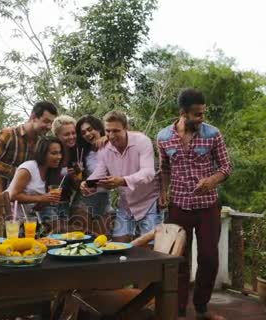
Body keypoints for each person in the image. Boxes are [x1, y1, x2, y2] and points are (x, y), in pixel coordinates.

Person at [156, 88, 231, 320]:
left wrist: (211, 181)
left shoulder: (213, 134)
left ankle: (201, 308)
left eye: (202, 114)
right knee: (178, 261)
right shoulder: (163, 137)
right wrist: (163, 192)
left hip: (208, 205)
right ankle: (177, 310)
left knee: (208, 258)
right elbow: (164, 169)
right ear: (183, 113)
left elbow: (226, 167)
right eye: (197, 114)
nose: (201, 119)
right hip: (178, 206)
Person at [80, 111, 161, 243]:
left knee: (150, 247)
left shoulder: (142, 141)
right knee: (118, 244)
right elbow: (100, 172)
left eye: (116, 131)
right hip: (126, 203)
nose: (111, 135)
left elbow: (148, 173)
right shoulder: (104, 148)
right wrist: (88, 183)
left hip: (148, 202)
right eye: (108, 131)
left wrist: (122, 180)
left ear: (126, 128)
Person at [0, 101, 58, 193]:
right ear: (33, 117)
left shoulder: (40, 143)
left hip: (23, 201)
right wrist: (20, 174)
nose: (49, 126)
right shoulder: (8, 134)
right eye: (46, 121)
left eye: (51, 123)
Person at [6, 136, 64, 224]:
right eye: (54, 153)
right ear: (43, 154)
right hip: (7, 217)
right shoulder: (28, 168)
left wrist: (47, 200)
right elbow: (12, 196)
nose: (59, 156)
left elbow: (36, 207)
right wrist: (42, 198)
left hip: (26, 219)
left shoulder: (51, 173)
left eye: (60, 153)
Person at [75, 115, 111, 236]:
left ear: (99, 129)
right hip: (85, 199)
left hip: (104, 197)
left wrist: (109, 137)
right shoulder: (84, 153)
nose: (87, 134)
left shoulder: (112, 145)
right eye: (83, 132)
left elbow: (132, 136)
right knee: (83, 236)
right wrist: (81, 182)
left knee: (102, 237)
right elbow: (81, 178)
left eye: (90, 129)